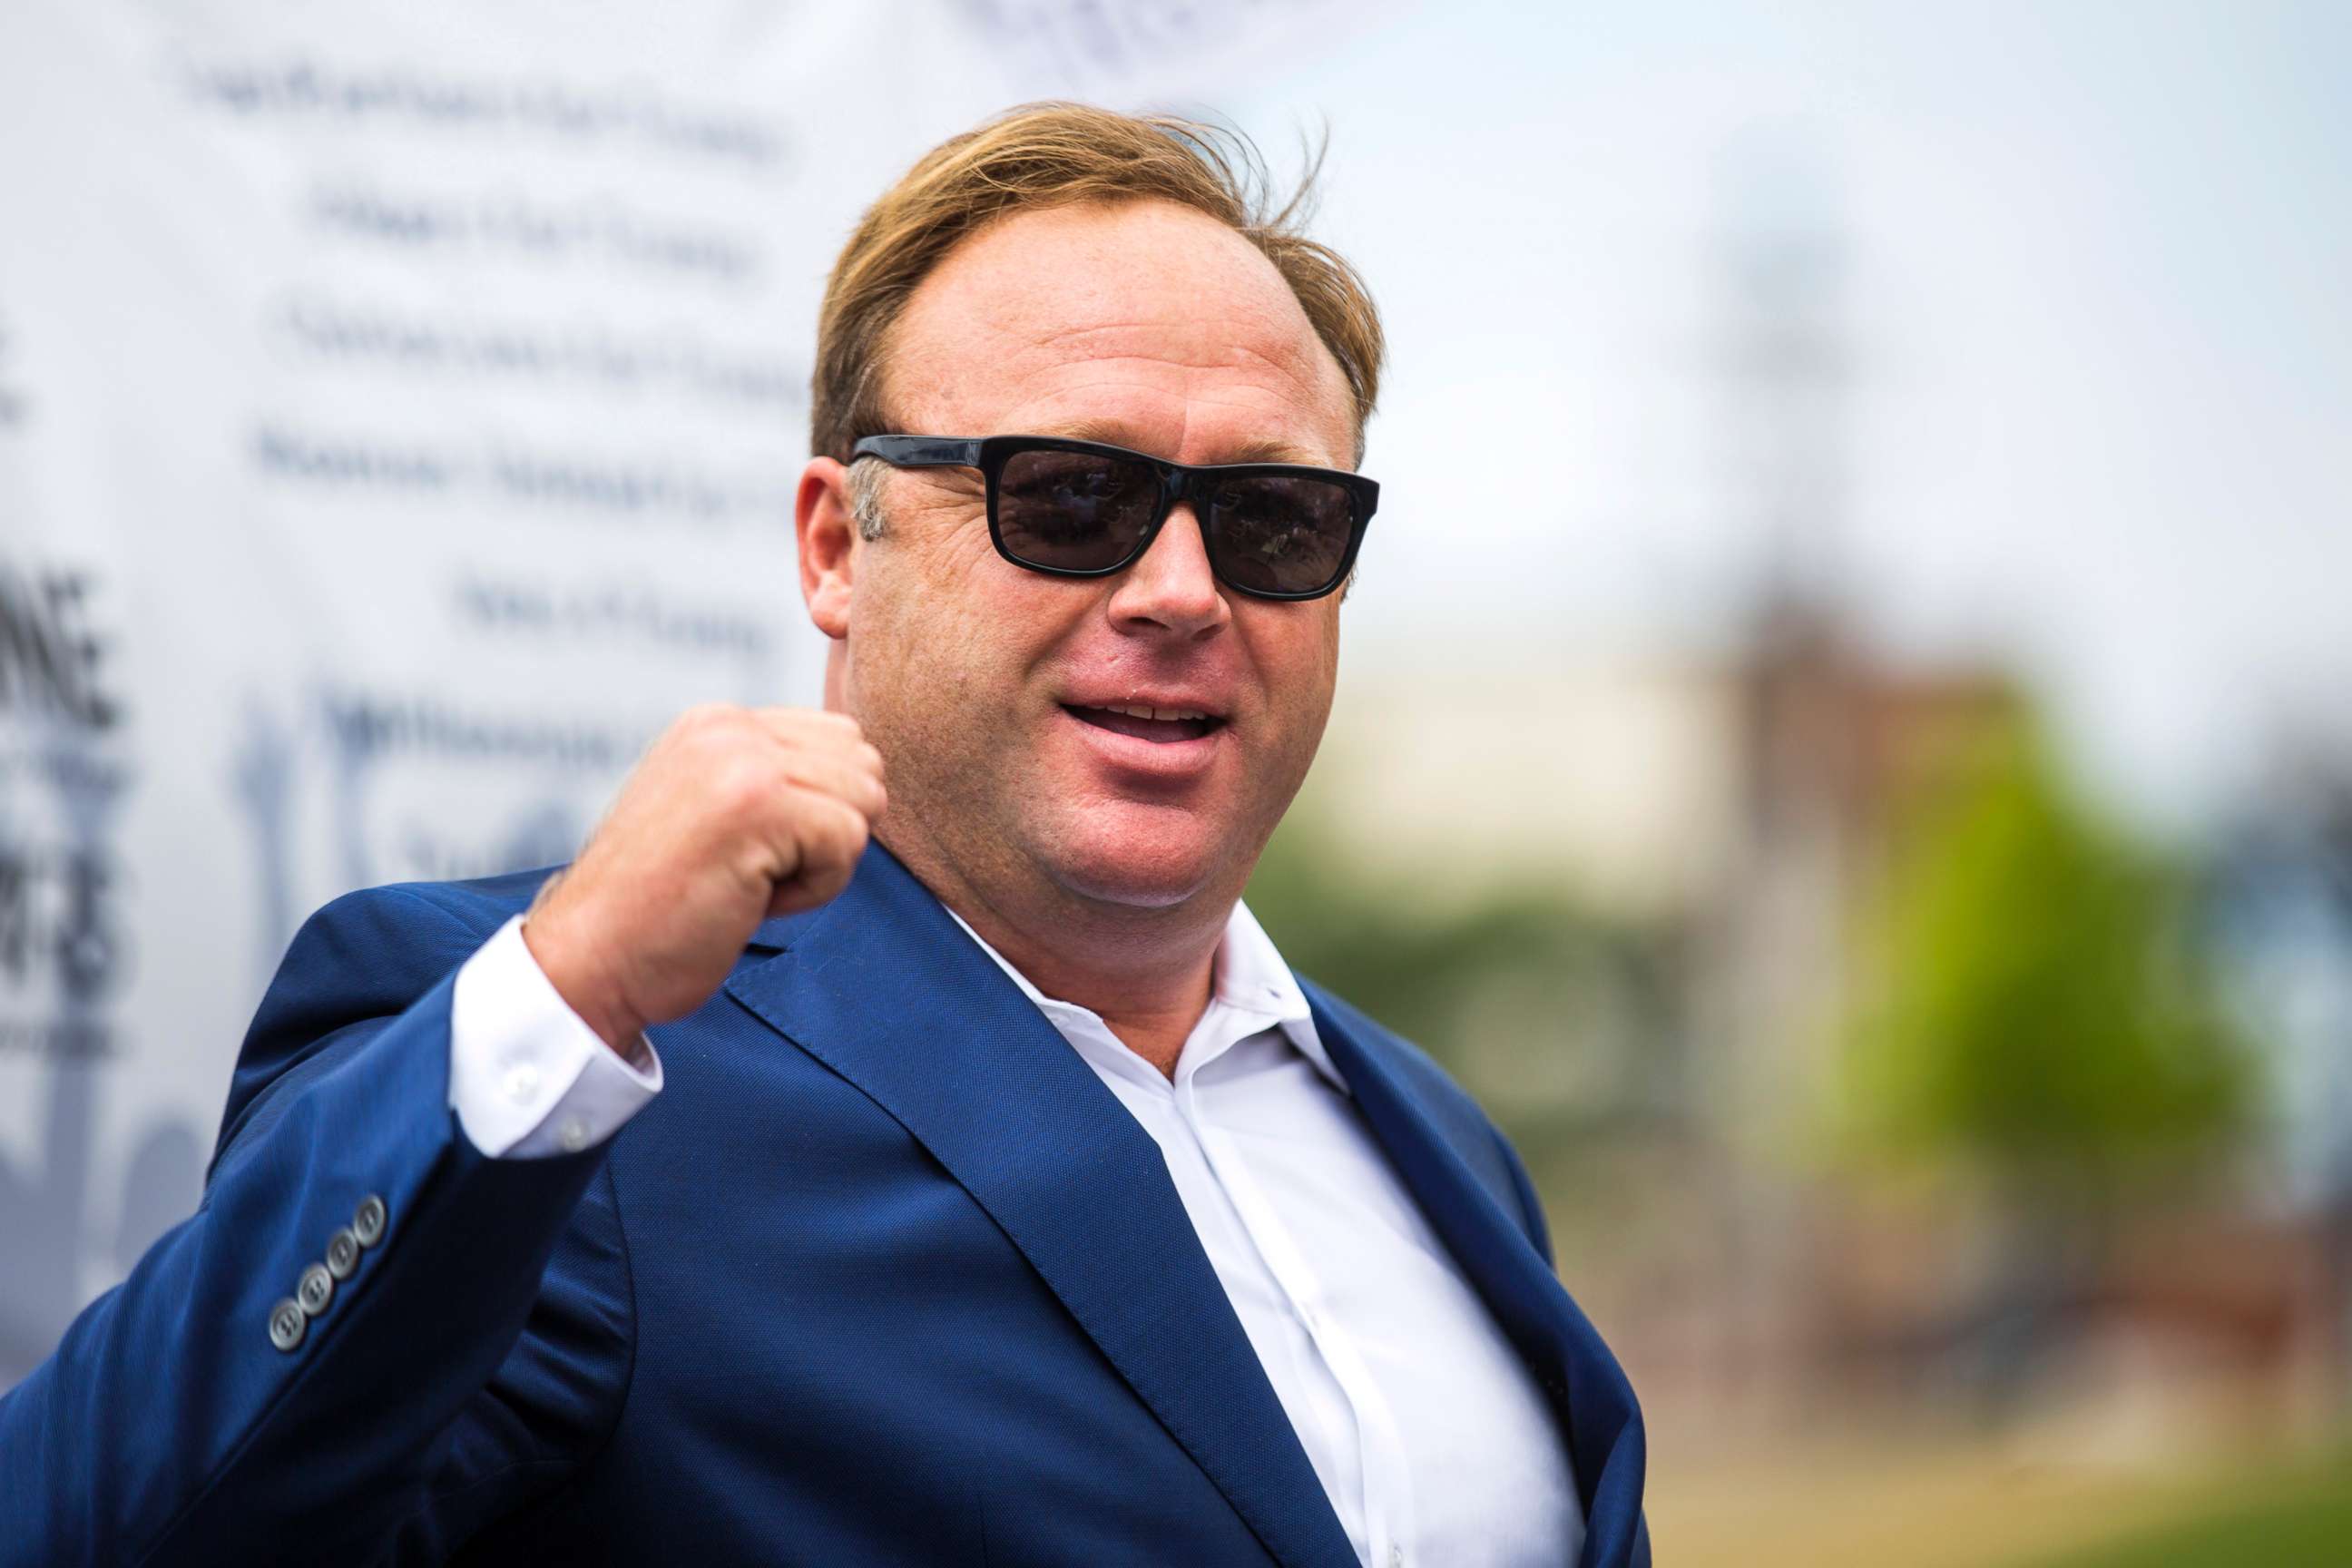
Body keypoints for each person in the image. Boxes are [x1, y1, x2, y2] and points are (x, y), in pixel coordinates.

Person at [0, 103, 1650, 1567]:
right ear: (834, 549)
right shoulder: (569, 1080)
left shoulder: (1436, 1144)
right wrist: (562, 992)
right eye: (1067, 499)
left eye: (1273, 519)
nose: (1179, 593)